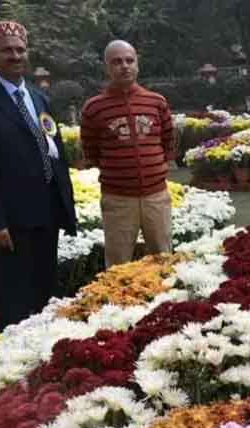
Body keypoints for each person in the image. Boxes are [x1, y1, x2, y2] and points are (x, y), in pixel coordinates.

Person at [0, 21, 77, 330]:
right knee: (15, 299)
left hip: (47, 212)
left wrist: (65, 206)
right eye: (7, 50)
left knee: (45, 293)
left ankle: (45, 357)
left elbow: (55, 152)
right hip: (12, 221)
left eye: (20, 49)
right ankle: (13, 364)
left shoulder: (38, 98)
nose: (15, 55)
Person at [80, 40, 176, 268]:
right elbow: (90, 150)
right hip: (118, 200)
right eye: (117, 62)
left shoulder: (156, 102)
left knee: (164, 261)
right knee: (117, 266)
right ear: (107, 67)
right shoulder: (94, 108)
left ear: (137, 65)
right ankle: (118, 305)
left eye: (129, 60)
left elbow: (168, 140)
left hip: (156, 197)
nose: (124, 66)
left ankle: (167, 304)